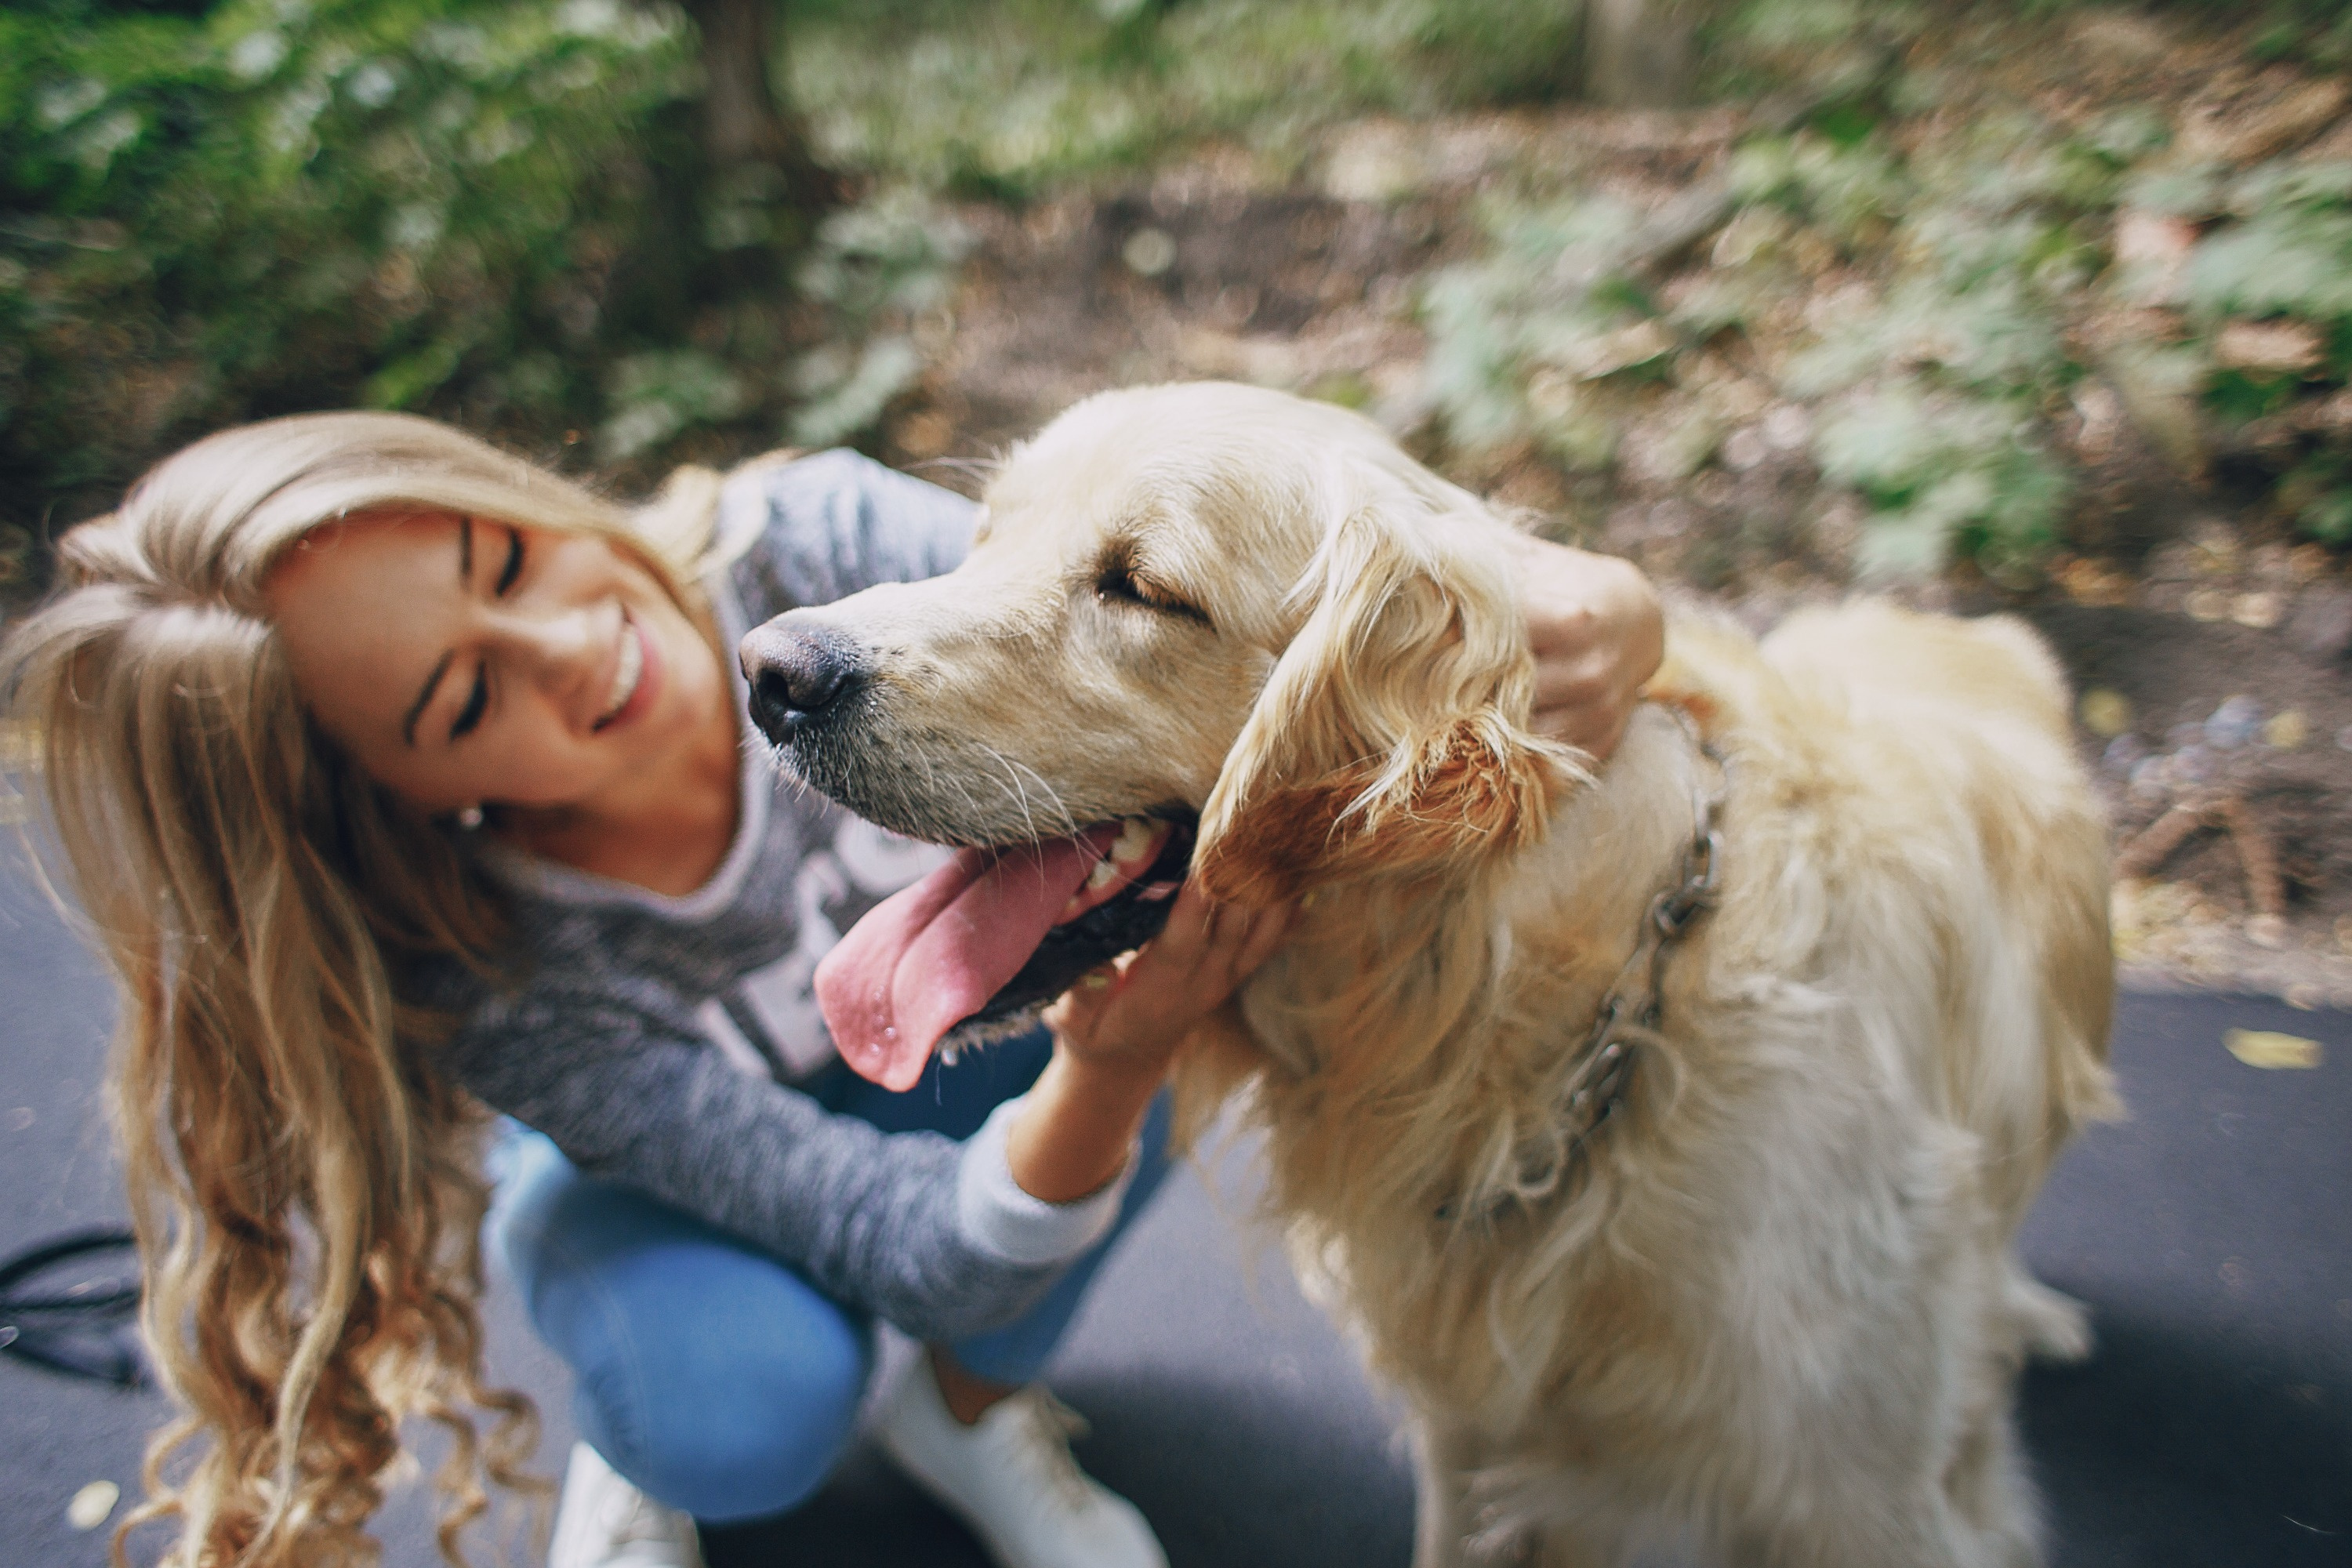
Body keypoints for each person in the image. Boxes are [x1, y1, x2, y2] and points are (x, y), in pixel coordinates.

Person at [0, 412, 1663, 1568]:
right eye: (459, 703)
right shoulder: (486, 965)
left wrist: (1616, 610)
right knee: (738, 1408)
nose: (581, 650)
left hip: (940, 1057)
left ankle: (971, 1411)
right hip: (694, 1182)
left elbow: (1208, 608)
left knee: (1162, 992)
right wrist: (1109, 1062)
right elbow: (907, 1244)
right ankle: (634, 1436)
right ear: (390, 803)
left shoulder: (816, 540)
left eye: (509, 563)